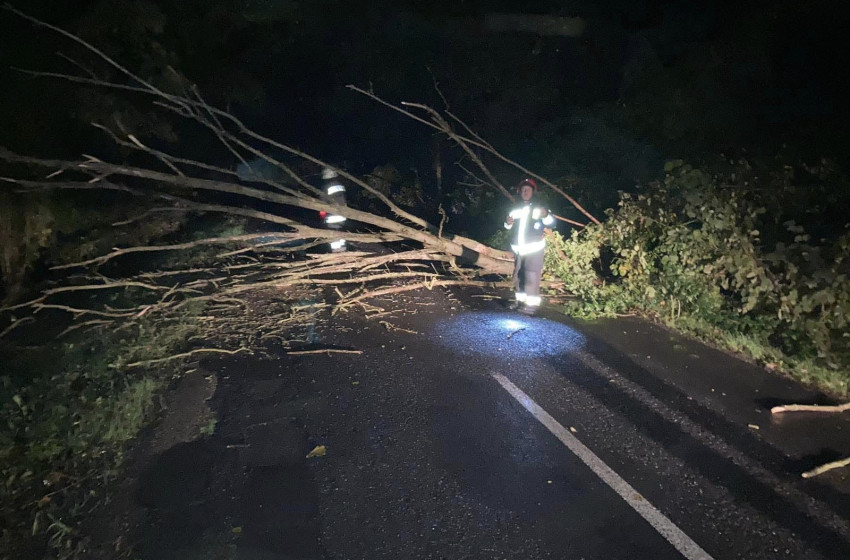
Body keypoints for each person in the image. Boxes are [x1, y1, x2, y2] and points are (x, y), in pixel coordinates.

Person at [504, 178, 554, 314]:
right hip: (519, 249)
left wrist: (546, 215)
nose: (525, 192)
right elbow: (507, 226)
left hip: (534, 248)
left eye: (528, 189)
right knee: (518, 276)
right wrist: (507, 222)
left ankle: (531, 306)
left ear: (533, 191)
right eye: (523, 189)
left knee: (531, 276)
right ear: (519, 192)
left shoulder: (540, 207)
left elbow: (551, 222)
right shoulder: (515, 208)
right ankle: (520, 302)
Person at [320, 167, 348, 252]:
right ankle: (343, 250)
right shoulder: (340, 185)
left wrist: (322, 216)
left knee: (332, 235)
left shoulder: (326, 187)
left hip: (331, 216)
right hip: (343, 214)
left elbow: (322, 204)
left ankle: (337, 253)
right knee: (341, 233)